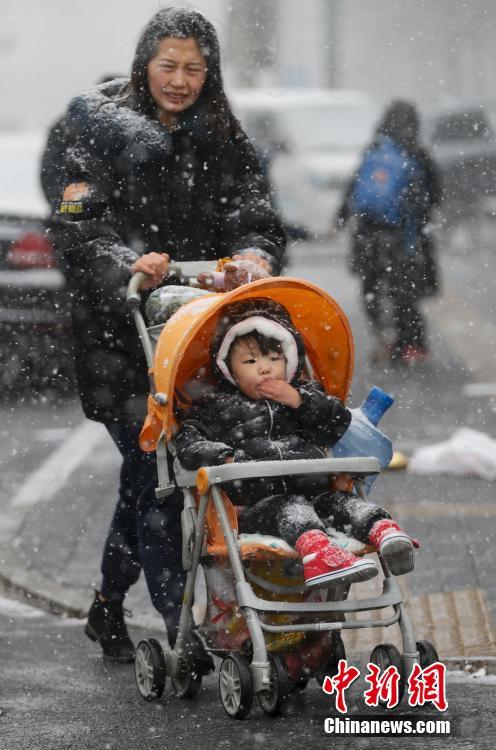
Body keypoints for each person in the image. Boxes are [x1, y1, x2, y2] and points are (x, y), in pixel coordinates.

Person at [41, 7, 286, 661]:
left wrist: (254, 254)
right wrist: (127, 265)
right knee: (153, 472)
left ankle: (107, 605)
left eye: (195, 69)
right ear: (144, 63)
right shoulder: (88, 132)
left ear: (211, 75)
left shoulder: (223, 136)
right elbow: (72, 221)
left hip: (198, 334)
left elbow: (255, 209)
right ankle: (184, 625)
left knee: (160, 474)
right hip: (120, 341)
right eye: (168, 65)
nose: (180, 80)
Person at [175, 298, 416, 588]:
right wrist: (227, 458)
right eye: (250, 361)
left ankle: (386, 534)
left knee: (346, 503)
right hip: (256, 503)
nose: (264, 369)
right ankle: (319, 554)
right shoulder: (215, 408)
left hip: (315, 491)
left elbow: (338, 422)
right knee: (291, 508)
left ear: (289, 362)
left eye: (274, 359)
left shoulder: (303, 395)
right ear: (229, 369)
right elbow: (188, 445)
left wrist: (298, 401)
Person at [335, 99, 442, 364]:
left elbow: (354, 186)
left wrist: (340, 216)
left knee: (370, 285)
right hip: (403, 234)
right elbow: (435, 194)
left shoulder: (374, 150)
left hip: (367, 233)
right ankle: (410, 343)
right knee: (405, 290)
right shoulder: (416, 153)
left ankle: (382, 335)